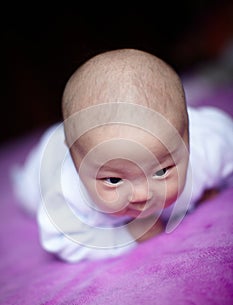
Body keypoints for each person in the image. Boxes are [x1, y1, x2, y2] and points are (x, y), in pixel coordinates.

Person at [12, 48, 233, 263]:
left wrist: (216, 184)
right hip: (42, 165)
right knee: (28, 194)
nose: (142, 194)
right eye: (114, 180)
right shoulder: (67, 194)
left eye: (161, 171)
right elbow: (62, 241)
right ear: (77, 166)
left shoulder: (208, 145)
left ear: (187, 139)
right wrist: (126, 236)